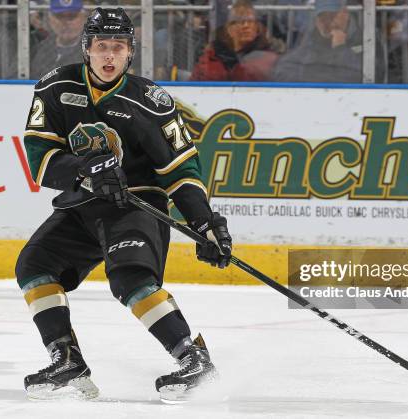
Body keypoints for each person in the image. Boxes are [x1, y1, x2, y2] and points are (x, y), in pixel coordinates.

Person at [18, 7, 232, 403]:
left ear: (130, 52)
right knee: (33, 267)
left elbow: (180, 170)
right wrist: (85, 170)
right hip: (83, 201)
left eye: (118, 46)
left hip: (137, 202)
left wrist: (203, 223)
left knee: (131, 279)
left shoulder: (151, 101)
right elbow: (41, 160)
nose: (109, 55)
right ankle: (67, 358)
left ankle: (192, 356)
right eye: (102, 46)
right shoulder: (54, 88)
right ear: (87, 48)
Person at [272, 0, 363, 83]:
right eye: (322, 18)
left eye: (332, 16)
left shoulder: (364, 38)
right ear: (316, 20)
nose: (328, 23)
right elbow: (283, 71)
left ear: (345, 14)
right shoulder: (311, 39)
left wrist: (340, 48)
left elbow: (359, 77)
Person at [189, 0, 279, 81]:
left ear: (257, 28)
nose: (246, 26)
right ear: (230, 29)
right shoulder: (213, 55)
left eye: (251, 21)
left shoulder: (267, 56)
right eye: (240, 21)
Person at [30, 0, 87, 79]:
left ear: (83, 19)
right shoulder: (37, 49)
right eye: (59, 16)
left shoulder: (93, 51)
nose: (65, 22)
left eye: (71, 16)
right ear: (50, 20)